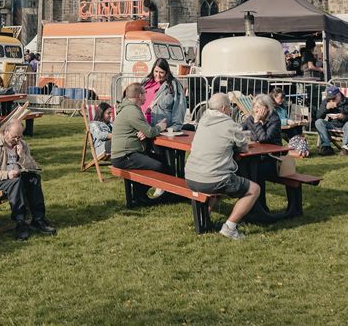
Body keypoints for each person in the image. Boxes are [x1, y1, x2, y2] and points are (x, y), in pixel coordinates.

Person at [184, 92, 261, 241]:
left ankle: (205, 217)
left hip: (191, 176)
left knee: (215, 184)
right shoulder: (229, 124)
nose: (231, 110)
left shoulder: (203, 120)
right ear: (224, 108)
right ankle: (230, 227)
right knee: (254, 189)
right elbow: (244, 147)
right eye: (230, 107)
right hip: (213, 178)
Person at [0, 119, 56, 241]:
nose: (17, 140)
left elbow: (32, 168)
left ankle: (38, 219)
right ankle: (20, 222)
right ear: (5, 132)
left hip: (18, 177)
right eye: (14, 137)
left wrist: (23, 156)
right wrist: (7, 174)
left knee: (34, 178)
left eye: (19, 137)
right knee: (16, 182)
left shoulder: (22, 145)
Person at [110, 82, 168, 207]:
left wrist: (144, 130)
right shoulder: (132, 111)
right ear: (138, 95)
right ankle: (138, 195)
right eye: (144, 93)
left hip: (127, 153)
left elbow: (143, 129)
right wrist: (161, 126)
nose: (146, 96)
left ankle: (139, 196)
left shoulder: (128, 108)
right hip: (124, 156)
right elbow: (150, 132)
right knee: (158, 165)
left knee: (162, 161)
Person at [143, 58, 186, 131]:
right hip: (143, 126)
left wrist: (175, 126)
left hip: (160, 127)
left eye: (161, 72)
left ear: (166, 72)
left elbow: (179, 106)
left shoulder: (173, 85)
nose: (158, 75)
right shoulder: (146, 82)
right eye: (156, 71)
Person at [313, 85, 348, 155]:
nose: (331, 100)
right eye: (329, 98)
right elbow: (318, 117)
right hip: (332, 125)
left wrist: (344, 116)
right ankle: (326, 146)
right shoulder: (326, 102)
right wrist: (326, 108)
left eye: (333, 98)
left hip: (345, 126)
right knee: (318, 122)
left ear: (339, 95)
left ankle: (345, 148)